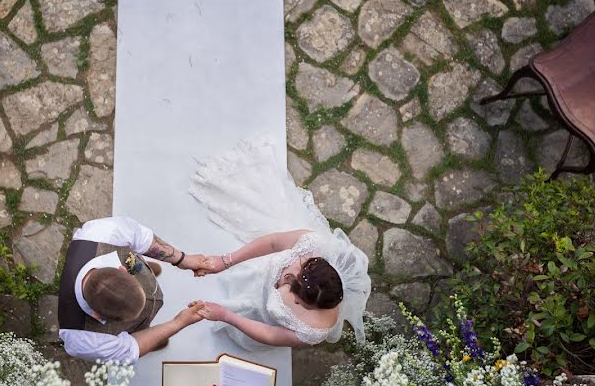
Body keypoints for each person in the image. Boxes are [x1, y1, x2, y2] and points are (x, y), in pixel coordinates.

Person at [187, 140, 371, 349]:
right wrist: (225, 261)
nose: (294, 302)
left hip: (258, 317)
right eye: (299, 298)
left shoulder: (316, 329)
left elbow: (271, 334)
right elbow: (273, 242)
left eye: (303, 306)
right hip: (257, 279)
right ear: (303, 267)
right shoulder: (309, 244)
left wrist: (226, 316)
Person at [57, 216, 215, 363]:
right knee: (143, 339)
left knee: (140, 265)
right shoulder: (81, 338)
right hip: (132, 330)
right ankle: (149, 333)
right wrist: (177, 323)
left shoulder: (101, 233)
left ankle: (145, 272)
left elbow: (143, 239)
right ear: (97, 315)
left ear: (122, 270)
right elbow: (132, 348)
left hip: (129, 263)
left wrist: (182, 259)